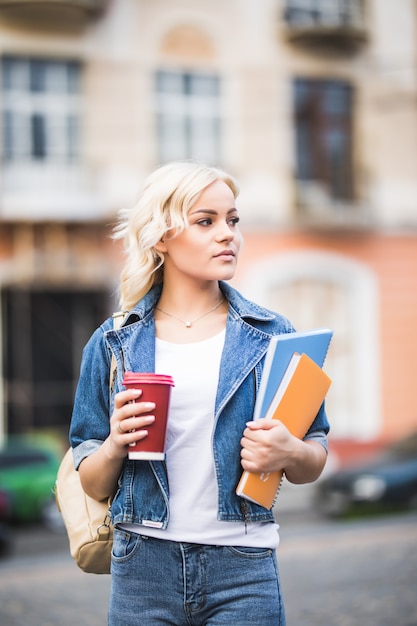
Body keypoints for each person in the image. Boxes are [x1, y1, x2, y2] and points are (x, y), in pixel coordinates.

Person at [69, 161, 329, 625]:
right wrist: (115, 443)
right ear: (161, 236)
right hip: (142, 568)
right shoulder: (112, 343)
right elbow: (90, 480)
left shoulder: (273, 337)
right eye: (205, 221)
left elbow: (313, 457)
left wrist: (288, 449)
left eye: (232, 220)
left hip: (244, 568)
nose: (227, 234)